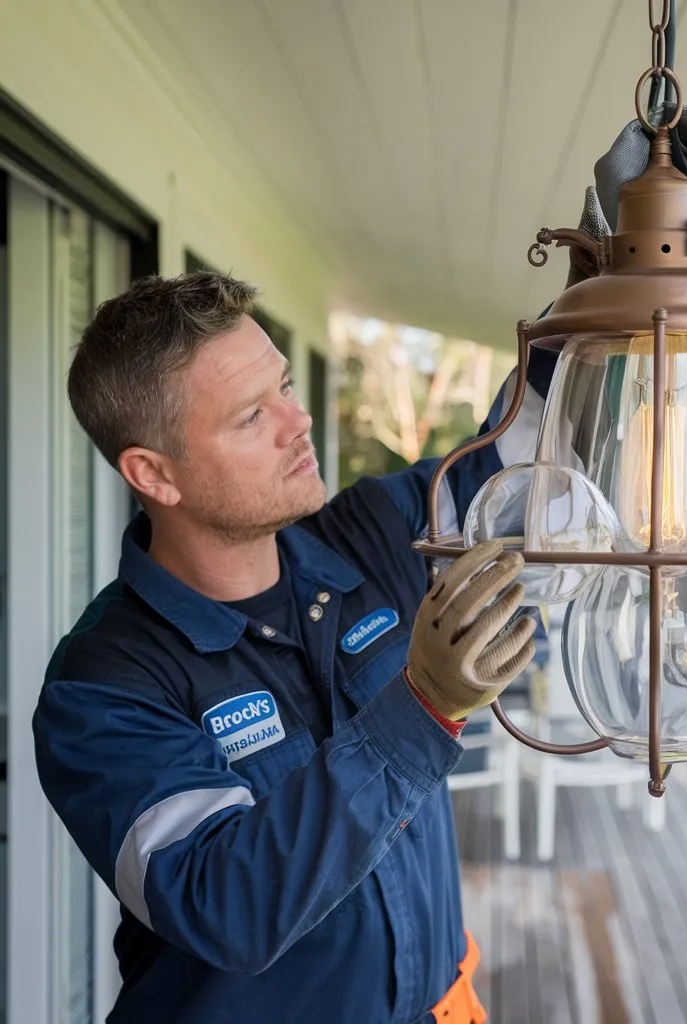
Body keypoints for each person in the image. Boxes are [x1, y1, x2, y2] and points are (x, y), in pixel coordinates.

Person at [32, 270, 554, 1024]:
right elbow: (226, 905)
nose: (297, 420)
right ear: (153, 474)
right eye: (251, 416)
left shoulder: (371, 535)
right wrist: (422, 709)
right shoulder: (102, 687)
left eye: (283, 385)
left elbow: (516, 462)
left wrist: (603, 275)